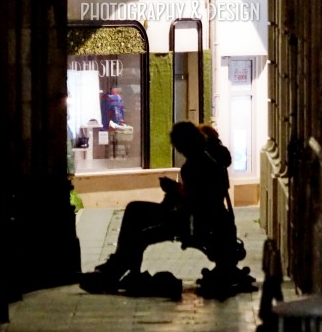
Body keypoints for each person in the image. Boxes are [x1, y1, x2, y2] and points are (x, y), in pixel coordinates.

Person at [79, 121, 229, 294]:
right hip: (195, 216)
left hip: (190, 220)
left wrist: (174, 190)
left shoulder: (195, 165)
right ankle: (118, 268)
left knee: (138, 231)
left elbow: (195, 201)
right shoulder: (204, 160)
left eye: (179, 147)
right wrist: (177, 191)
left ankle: (115, 270)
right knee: (135, 210)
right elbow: (198, 196)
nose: (179, 151)